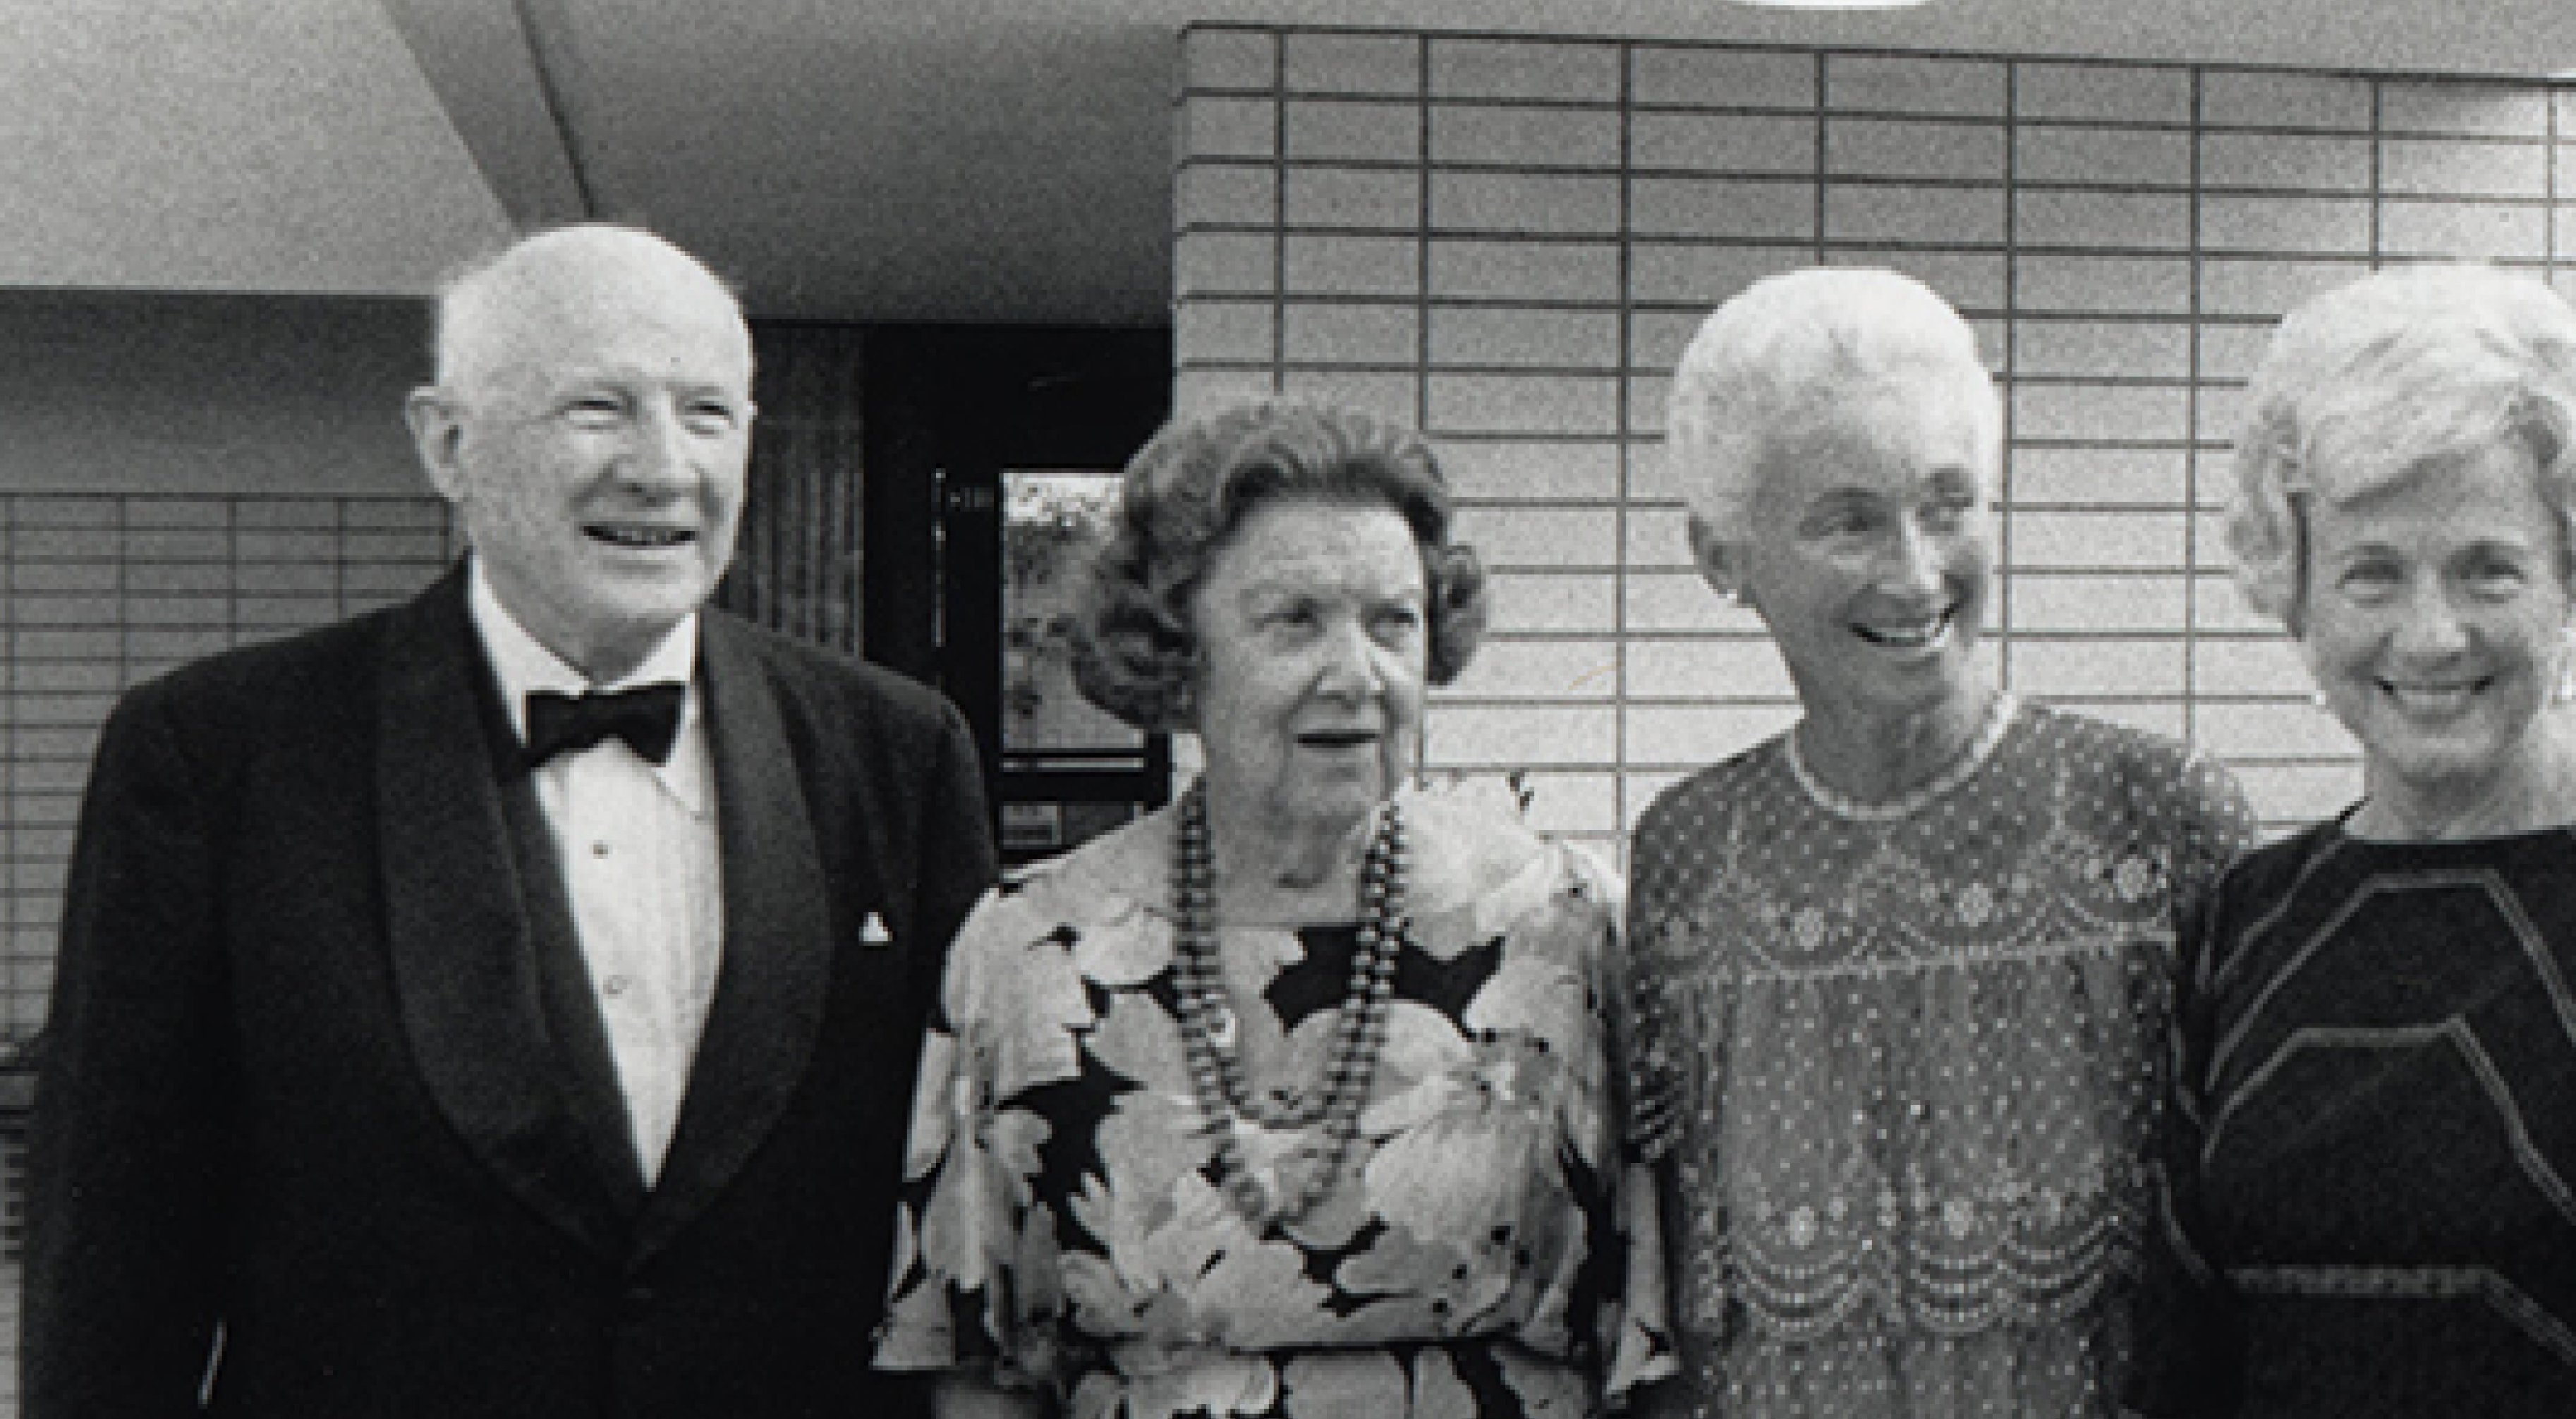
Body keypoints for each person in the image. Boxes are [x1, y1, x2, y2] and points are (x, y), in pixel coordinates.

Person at [24, 224, 997, 1416]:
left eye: (707, 413)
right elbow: (117, 1248)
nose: (662, 468)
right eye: (597, 407)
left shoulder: (898, 753)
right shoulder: (217, 756)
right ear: (446, 444)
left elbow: (966, 1223)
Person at [2132, 262, 2576, 1418]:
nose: (2431, 632)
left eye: (2487, 569)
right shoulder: (2252, 916)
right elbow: (2182, 1361)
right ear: (2295, 591)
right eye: (2371, 574)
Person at [875, 396, 1670, 1418]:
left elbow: (1653, 1341)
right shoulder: (1030, 949)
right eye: (1294, 621)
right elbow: (980, 1368)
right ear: (1174, 649)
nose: (1358, 675)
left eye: (1394, 622)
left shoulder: (1562, 928)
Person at [1622, 267, 2258, 1418]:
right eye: (1847, 520)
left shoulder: (2158, 814)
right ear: (1722, 556)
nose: (1916, 573)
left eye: (1950, 503)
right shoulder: (1686, 857)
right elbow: (1664, 1294)